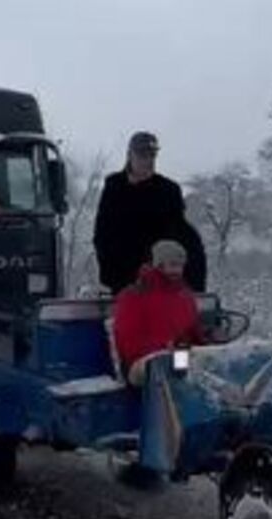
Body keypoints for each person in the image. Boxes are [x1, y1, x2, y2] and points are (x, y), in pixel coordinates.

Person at [94, 131, 207, 294]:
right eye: (142, 155)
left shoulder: (168, 190)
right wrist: (115, 279)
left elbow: (179, 234)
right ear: (129, 155)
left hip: (163, 276)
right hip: (124, 278)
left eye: (152, 156)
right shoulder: (114, 187)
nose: (148, 161)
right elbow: (103, 235)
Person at [112, 240, 204, 381]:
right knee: (166, 366)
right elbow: (128, 341)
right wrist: (163, 348)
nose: (177, 270)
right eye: (173, 265)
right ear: (159, 265)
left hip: (179, 358)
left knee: (203, 366)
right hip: (142, 362)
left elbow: (193, 332)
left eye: (180, 266)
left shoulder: (185, 296)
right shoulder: (134, 296)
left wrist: (207, 339)